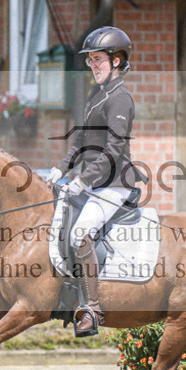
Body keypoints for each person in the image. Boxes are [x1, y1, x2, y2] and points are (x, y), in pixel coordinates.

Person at [45, 26, 142, 337]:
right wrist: (61, 168)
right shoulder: (97, 93)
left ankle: (92, 309)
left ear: (116, 60)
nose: (93, 66)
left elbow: (114, 149)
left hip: (114, 185)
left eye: (98, 60)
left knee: (79, 234)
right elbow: (82, 139)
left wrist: (82, 180)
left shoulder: (121, 98)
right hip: (93, 183)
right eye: (90, 61)